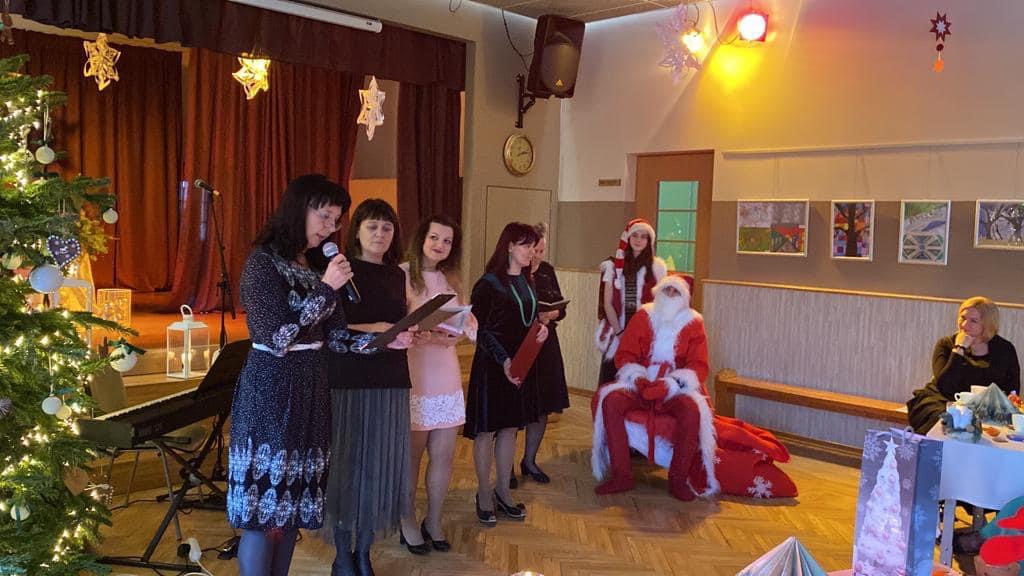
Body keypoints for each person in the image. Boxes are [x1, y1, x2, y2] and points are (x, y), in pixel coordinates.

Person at [227, 174, 353, 576]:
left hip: (311, 390)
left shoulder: (315, 267)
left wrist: (392, 339)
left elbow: (338, 338)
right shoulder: (262, 264)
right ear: (299, 209)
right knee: (264, 510)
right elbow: (277, 337)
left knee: (291, 507)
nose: (330, 227)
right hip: (272, 390)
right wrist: (326, 289)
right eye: (324, 215)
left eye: (336, 220)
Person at [323, 199, 416, 576]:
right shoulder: (340, 269)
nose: (380, 234)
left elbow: (397, 322)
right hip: (348, 378)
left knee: (378, 469)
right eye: (372, 226)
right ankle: (342, 555)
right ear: (357, 231)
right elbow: (328, 328)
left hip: (391, 378)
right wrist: (376, 329)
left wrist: (408, 333)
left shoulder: (396, 274)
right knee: (347, 468)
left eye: (387, 227)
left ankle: (364, 551)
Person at [591, 274, 715, 502]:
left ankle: (678, 479)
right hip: (642, 381)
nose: (670, 295)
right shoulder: (644, 315)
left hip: (675, 388)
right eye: (667, 290)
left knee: (691, 410)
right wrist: (638, 378)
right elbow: (625, 354)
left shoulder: (694, 322)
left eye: (676, 292)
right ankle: (622, 475)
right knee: (611, 401)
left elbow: (698, 365)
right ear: (659, 292)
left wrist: (671, 384)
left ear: (685, 297)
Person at [397, 215, 476, 554]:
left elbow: (463, 326)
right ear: (422, 239)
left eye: (447, 241)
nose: (440, 245)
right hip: (415, 373)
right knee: (412, 457)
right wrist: (417, 332)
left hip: (445, 372)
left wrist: (455, 334)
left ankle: (434, 519)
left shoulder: (451, 278)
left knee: (443, 455)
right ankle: (406, 520)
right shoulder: (402, 274)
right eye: (434, 238)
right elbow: (394, 325)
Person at [465, 222, 548, 525]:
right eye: (526, 245)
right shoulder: (487, 284)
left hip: (520, 365)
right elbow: (480, 330)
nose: (531, 251)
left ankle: (503, 490)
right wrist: (504, 360)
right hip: (493, 365)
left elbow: (528, 320)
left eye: (533, 246)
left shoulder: (528, 280)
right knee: (487, 431)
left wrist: (540, 331)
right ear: (509, 246)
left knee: (510, 429)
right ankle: (484, 494)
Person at [908, 296, 1021, 434]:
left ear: (987, 324)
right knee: (951, 420)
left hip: (985, 408)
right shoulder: (946, 344)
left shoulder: (1004, 349)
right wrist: (959, 349)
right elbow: (944, 386)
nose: (964, 325)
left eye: (973, 321)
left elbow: (1012, 389)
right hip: (943, 400)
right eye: (962, 318)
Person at [518, 222, 569, 484]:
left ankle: (530, 460)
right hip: (521, 344)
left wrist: (554, 312)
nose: (538, 256)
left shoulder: (547, 270)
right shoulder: (514, 271)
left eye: (541, 251)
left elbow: (561, 306)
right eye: (534, 250)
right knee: (516, 407)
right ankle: (504, 467)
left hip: (546, 343)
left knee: (542, 407)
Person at [595, 218, 667, 386]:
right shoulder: (612, 266)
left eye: (643, 236)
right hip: (617, 333)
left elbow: (661, 304)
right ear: (627, 237)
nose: (638, 240)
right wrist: (620, 333)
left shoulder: (656, 268)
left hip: (645, 336)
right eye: (635, 235)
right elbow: (608, 304)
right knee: (612, 384)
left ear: (649, 241)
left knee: (637, 385)